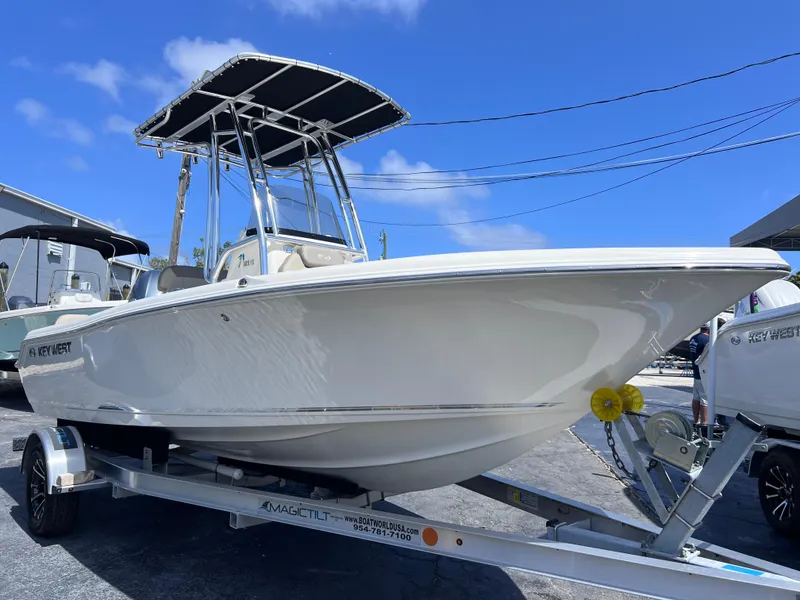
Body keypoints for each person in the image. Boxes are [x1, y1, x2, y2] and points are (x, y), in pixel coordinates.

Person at [688, 323, 710, 425]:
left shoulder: (693, 338)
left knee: (696, 397)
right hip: (704, 373)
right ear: (709, 330)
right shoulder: (707, 340)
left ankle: (696, 421)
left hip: (696, 372)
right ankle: (705, 423)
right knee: (705, 399)